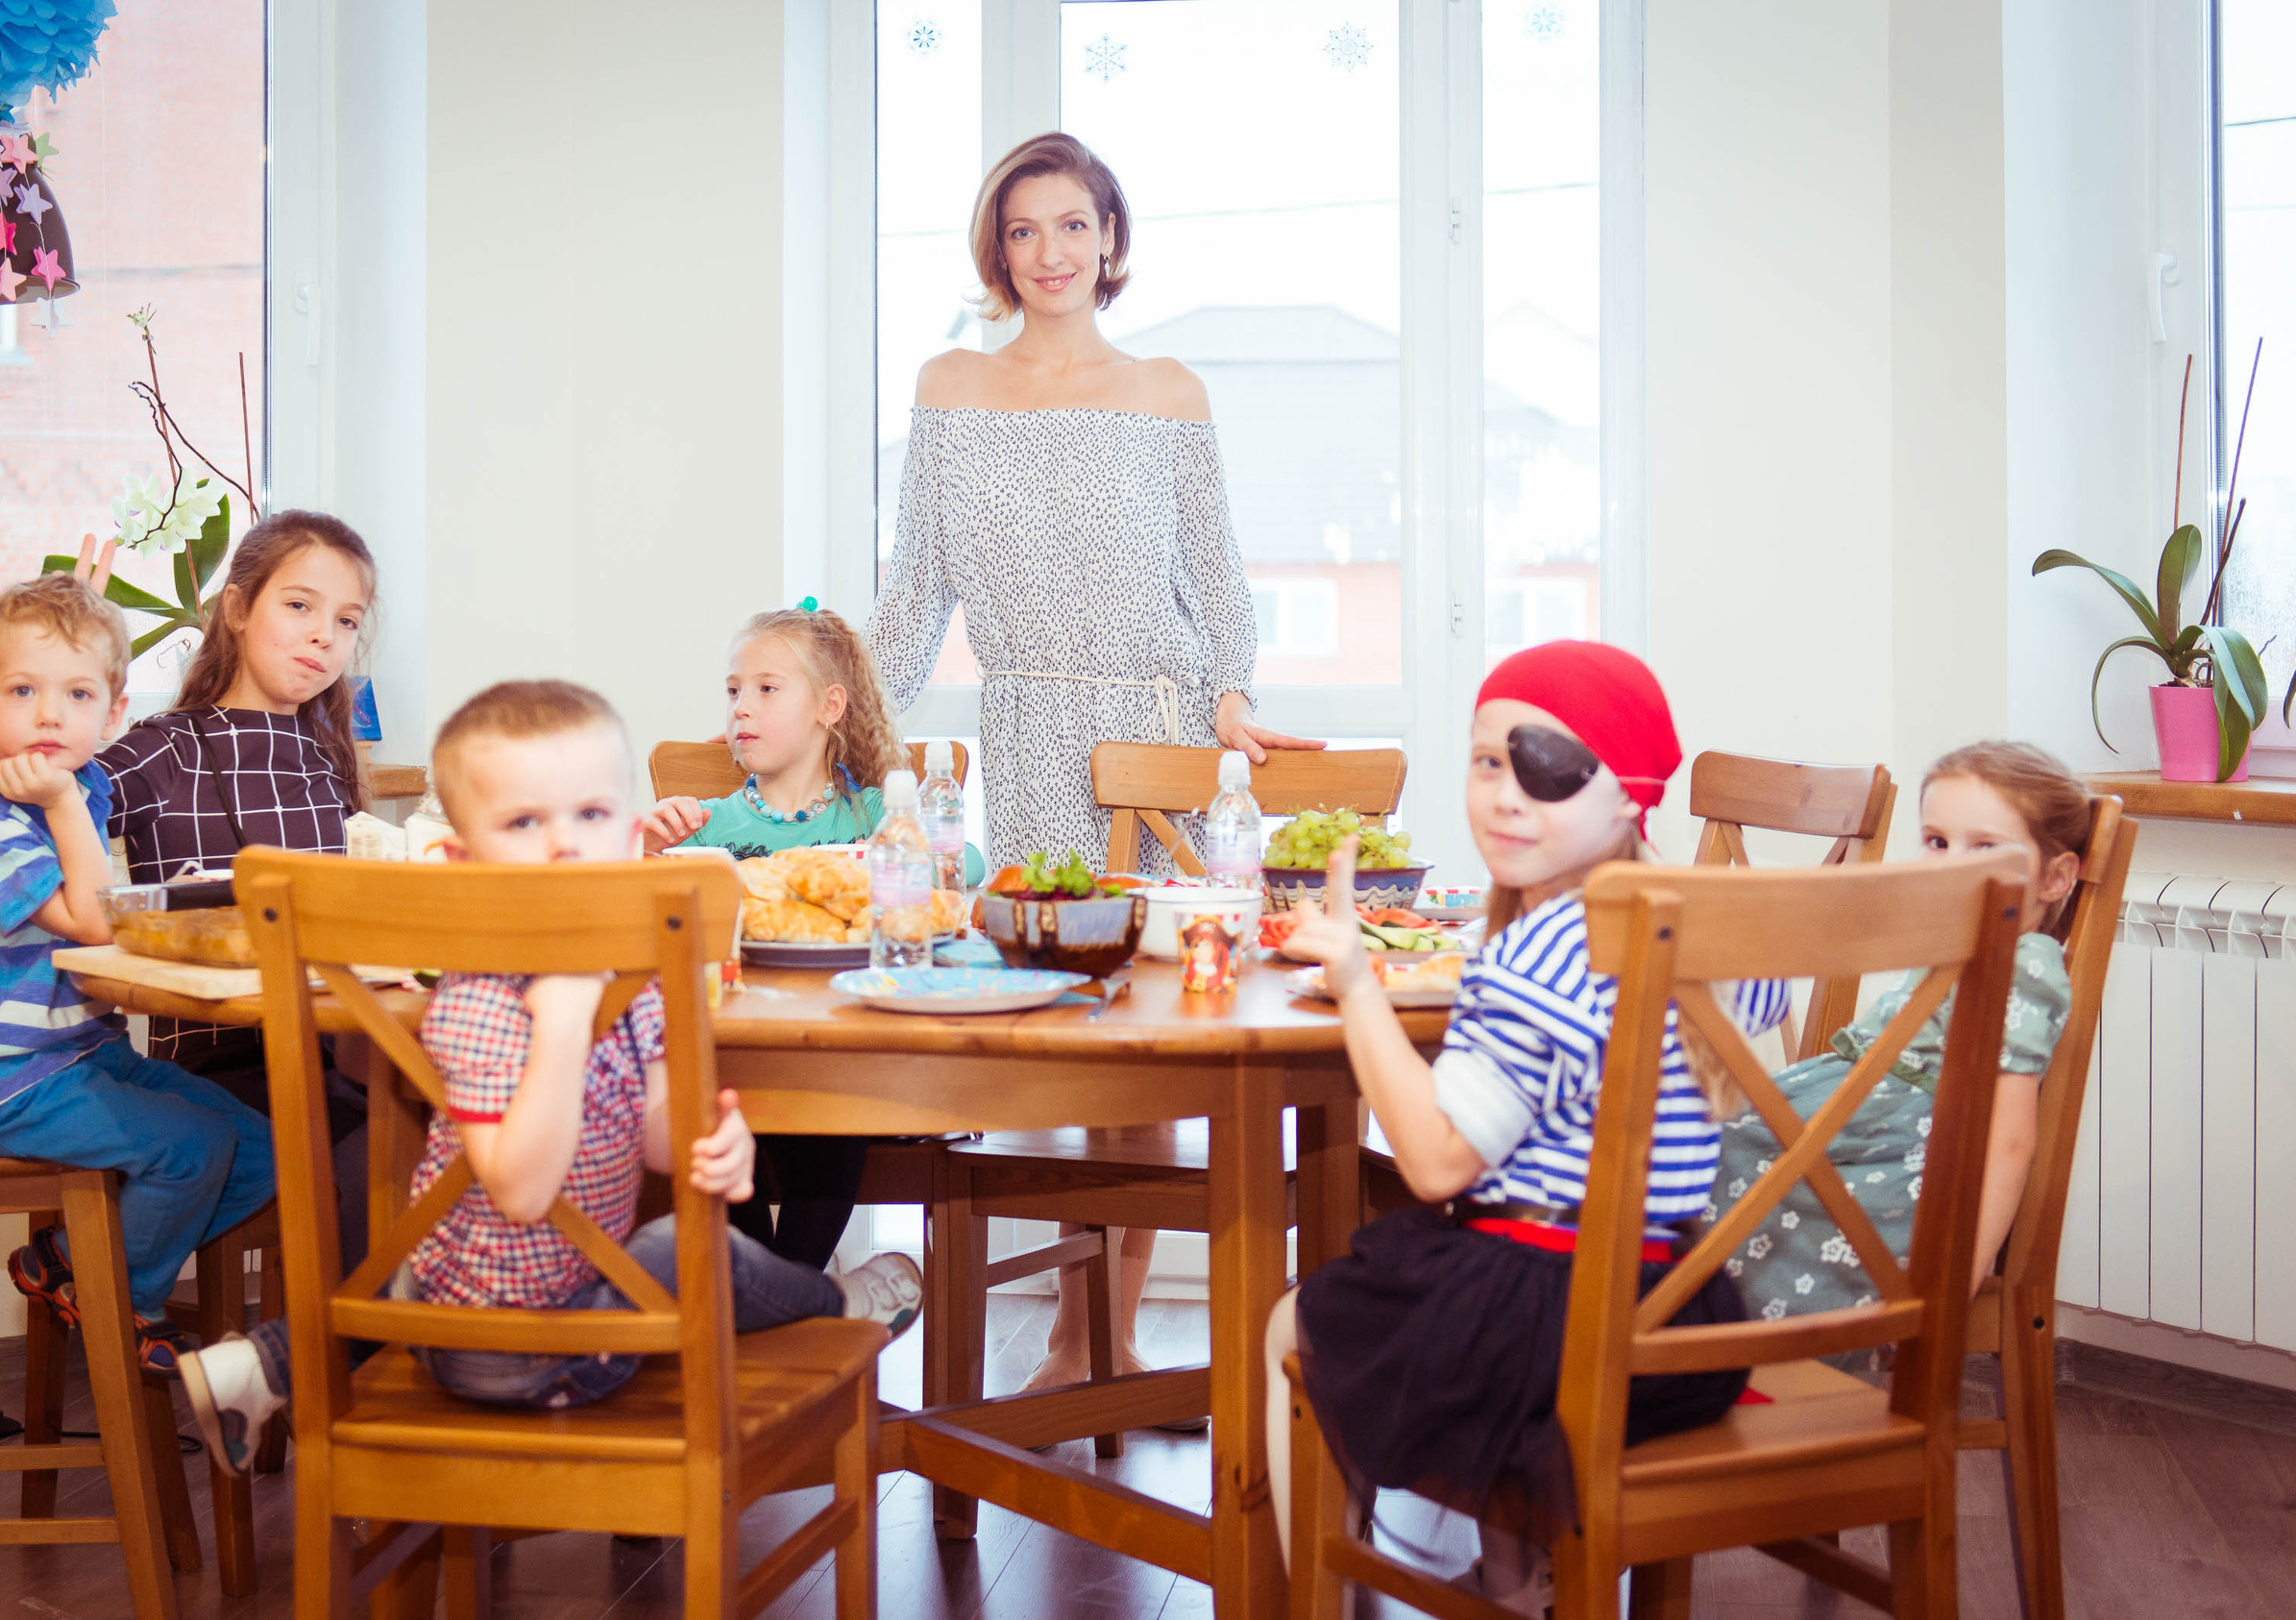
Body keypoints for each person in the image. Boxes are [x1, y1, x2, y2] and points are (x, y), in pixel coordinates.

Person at [176, 680, 925, 1471]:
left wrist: (717, 1139)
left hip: (457, 1300)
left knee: (462, 1257)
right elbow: (523, 1194)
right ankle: (841, 1304)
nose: (565, 844)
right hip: (521, 1352)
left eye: (591, 816)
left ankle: (261, 1366)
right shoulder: (478, 995)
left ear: (634, 838)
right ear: (462, 861)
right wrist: (564, 1026)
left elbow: (664, 1138)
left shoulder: (640, 978)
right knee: (689, 1250)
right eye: (526, 822)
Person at [868, 129, 1319, 1397]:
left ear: (1110, 239)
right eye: (1023, 230)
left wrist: (1230, 700)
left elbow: (1217, 582)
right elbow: (913, 595)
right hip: (1026, 727)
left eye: (1073, 225)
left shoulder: (1169, 390)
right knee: (1058, 1032)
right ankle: (1076, 1321)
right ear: (995, 249)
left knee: (1147, 1038)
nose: (1050, 252)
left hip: (1159, 734)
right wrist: (840, 725)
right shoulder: (948, 385)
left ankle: (1100, 1339)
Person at [1267, 641, 1790, 1611]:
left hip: (1551, 1330)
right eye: (1487, 760)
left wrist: (1352, 981)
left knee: (1295, 1323)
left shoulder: (1540, 952)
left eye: (1549, 767)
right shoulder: (1726, 929)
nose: (1506, 794)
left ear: (1628, 793)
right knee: (1465, 1277)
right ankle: (1517, 1585)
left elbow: (1431, 1163)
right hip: (1684, 1318)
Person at [0, 575, 276, 1375]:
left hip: (80, 1051)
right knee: (190, 1149)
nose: (50, 714)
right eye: (23, 690)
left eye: (77, 694)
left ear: (111, 715)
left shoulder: (82, 782)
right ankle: (122, 1298)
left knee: (260, 1150)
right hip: (5, 1078)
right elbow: (92, 920)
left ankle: (72, 1262)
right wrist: (58, 802)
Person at [69, 512, 379, 1271]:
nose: (323, 637)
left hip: (337, 1050)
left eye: (345, 620)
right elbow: (49, 803)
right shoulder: (167, 747)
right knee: (372, 1159)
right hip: (221, 1063)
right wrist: (70, 665)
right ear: (237, 610)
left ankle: (384, 1358)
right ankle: (329, 1369)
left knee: (449, 1124)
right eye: (299, 606)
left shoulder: (328, 757)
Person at [645, 605, 984, 1267]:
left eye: (767, 690)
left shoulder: (877, 815)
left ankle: (776, 1296)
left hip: (852, 1061)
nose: (742, 707)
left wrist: (876, 857)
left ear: (830, 706)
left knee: (836, 1118)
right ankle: (793, 1302)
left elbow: (961, 867)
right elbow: (648, 906)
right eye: (734, 690)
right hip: (736, 1063)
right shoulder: (708, 825)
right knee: (711, 1115)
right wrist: (652, 843)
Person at [1708, 741, 2086, 1328]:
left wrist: (1962, 1271)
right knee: (1687, 1132)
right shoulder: (1953, 934)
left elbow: (2011, 1137)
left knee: (1707, 1148)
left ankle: (1716, 1344)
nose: (1950, 865)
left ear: (2056, 878)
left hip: (1889, 1154)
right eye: (1937, 842)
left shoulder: (2026, 963)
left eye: (1984, 846)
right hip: (1847, 1107)